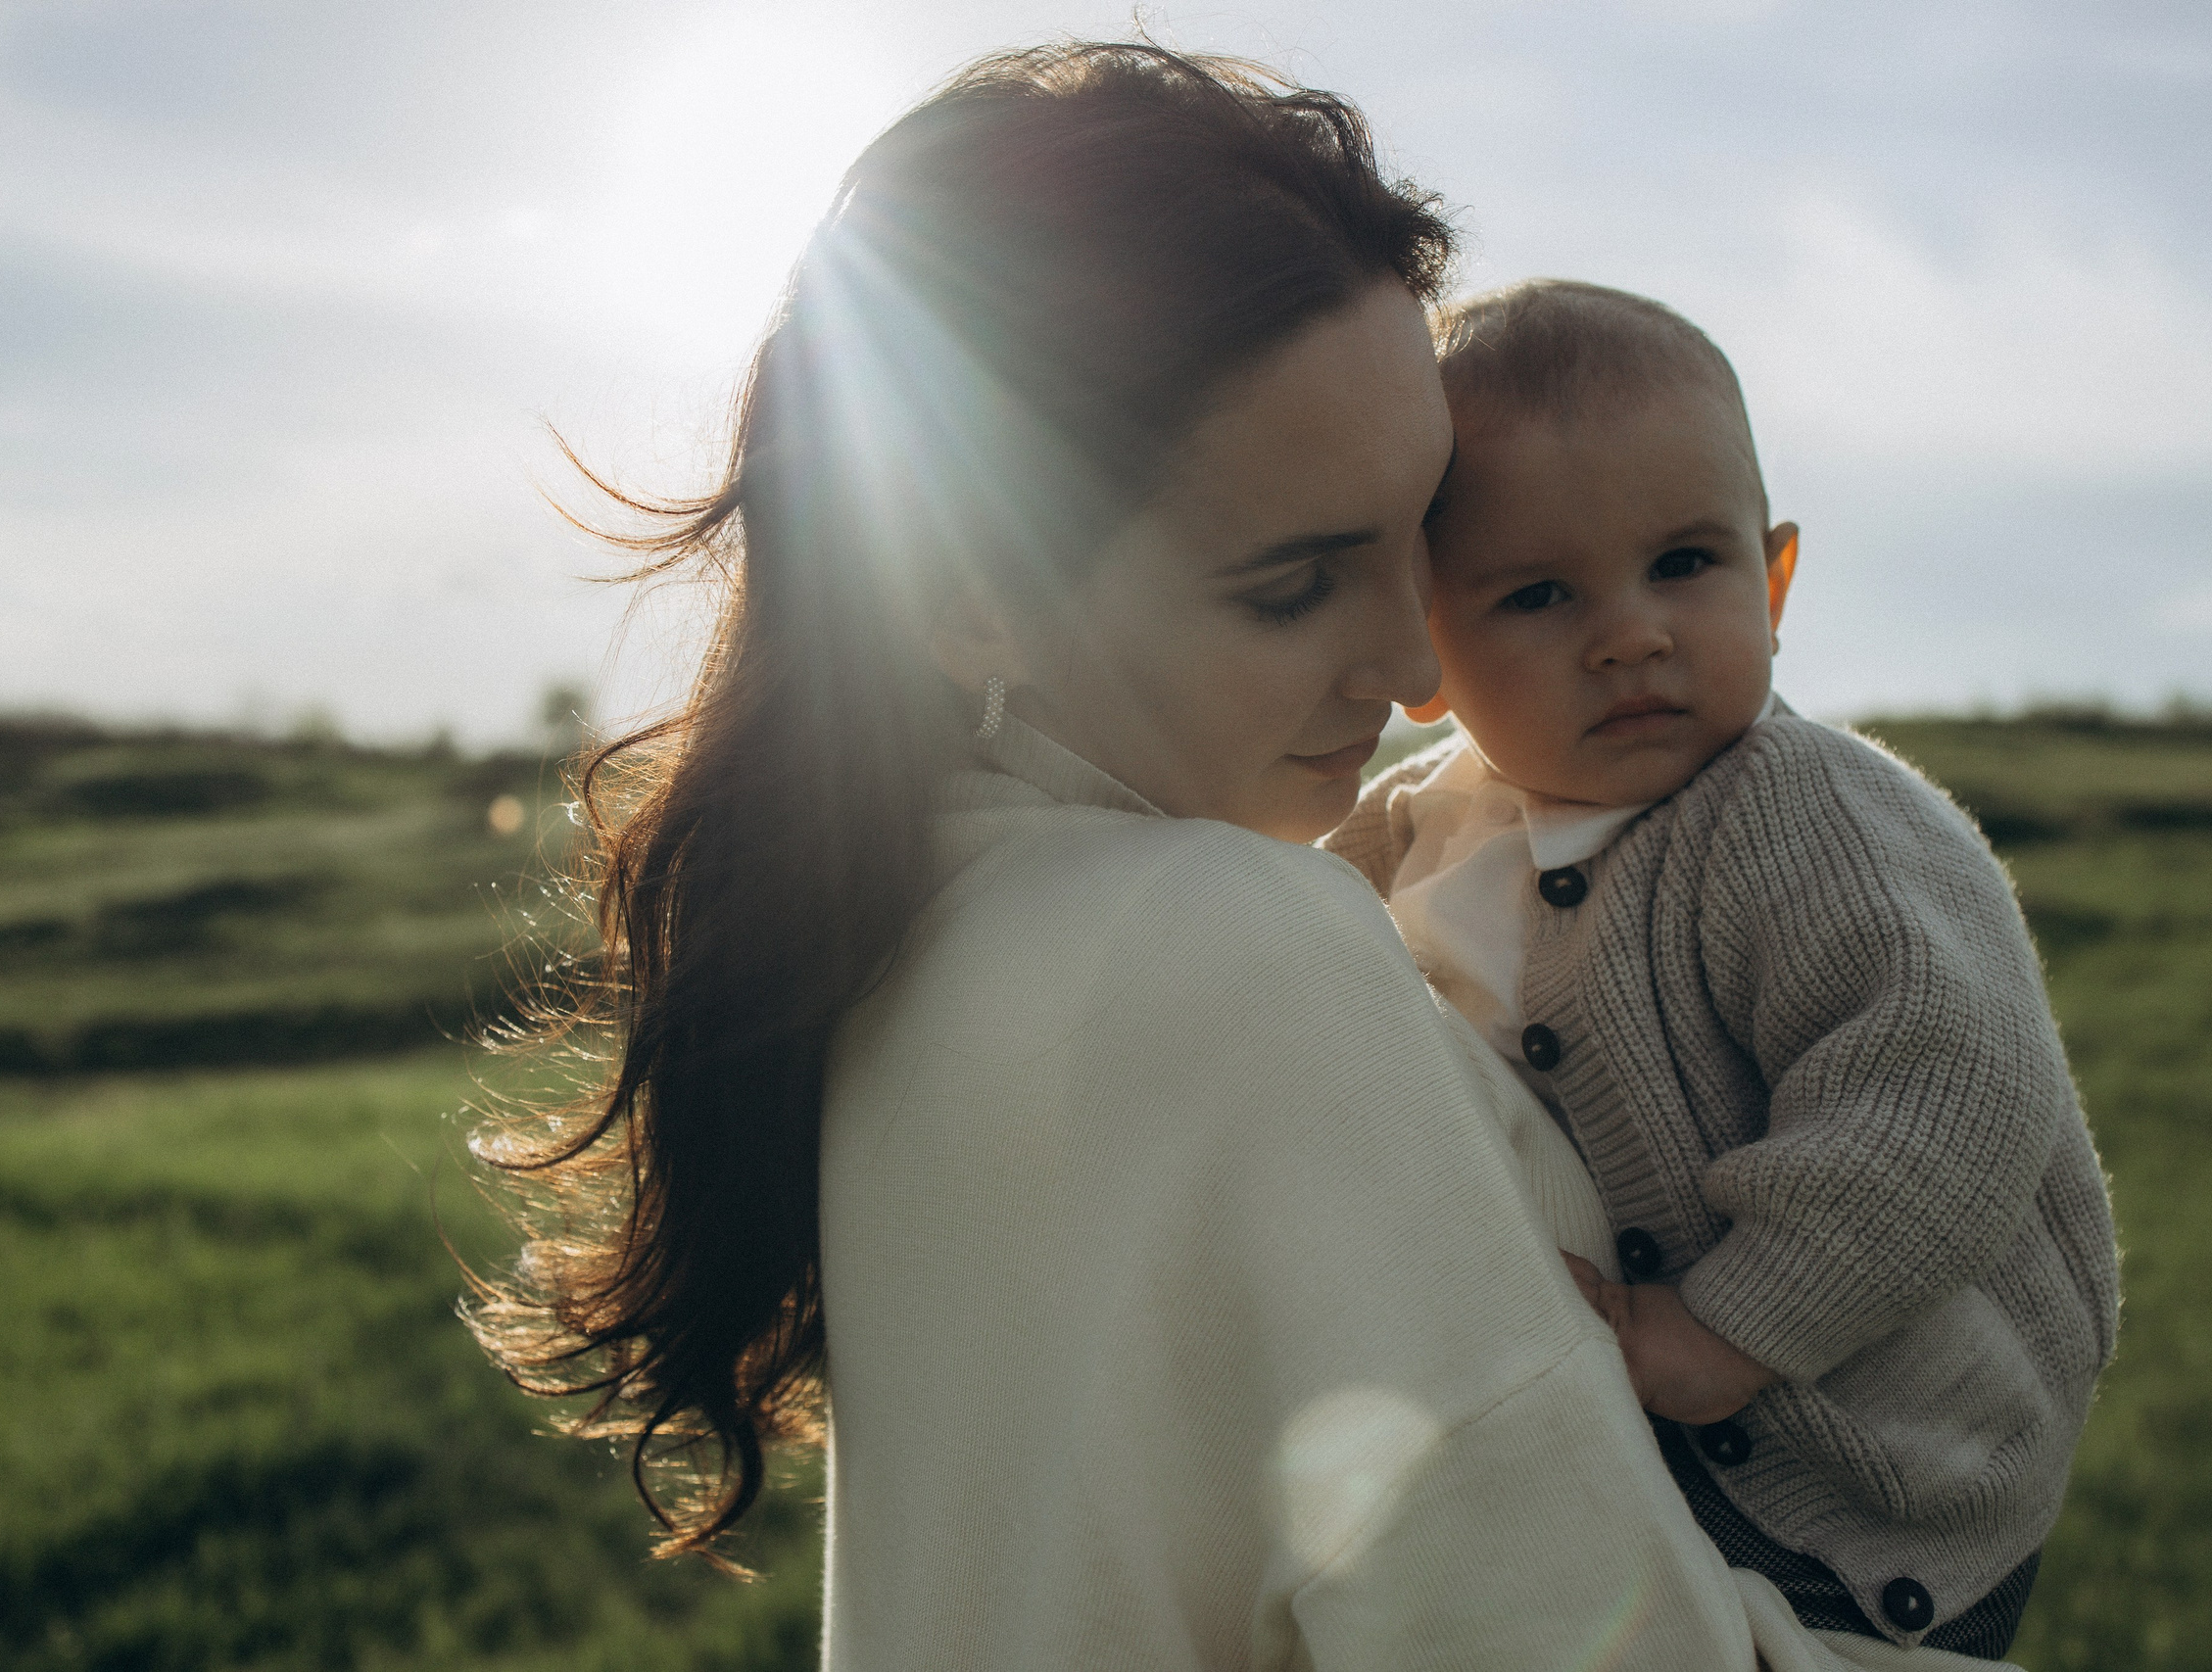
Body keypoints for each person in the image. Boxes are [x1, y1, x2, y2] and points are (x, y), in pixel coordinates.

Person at [467, 43, 2026, 1670]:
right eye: (1292, 584)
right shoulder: (1233, 947)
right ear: (968, 593)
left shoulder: (895, 939)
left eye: (1426, 533)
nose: (1416, 666)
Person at [1323, 279, 2119, 1654]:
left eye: (1685, 564)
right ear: (1425, 649)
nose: (1629, 632)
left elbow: (1949, 1099)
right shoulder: (1427, 822)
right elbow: (1284, 918)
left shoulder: (1805, 814)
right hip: (1653, 1467)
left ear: (1777, 575)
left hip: (1875, 1488)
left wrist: (1716, 1332)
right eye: (1540, 592)